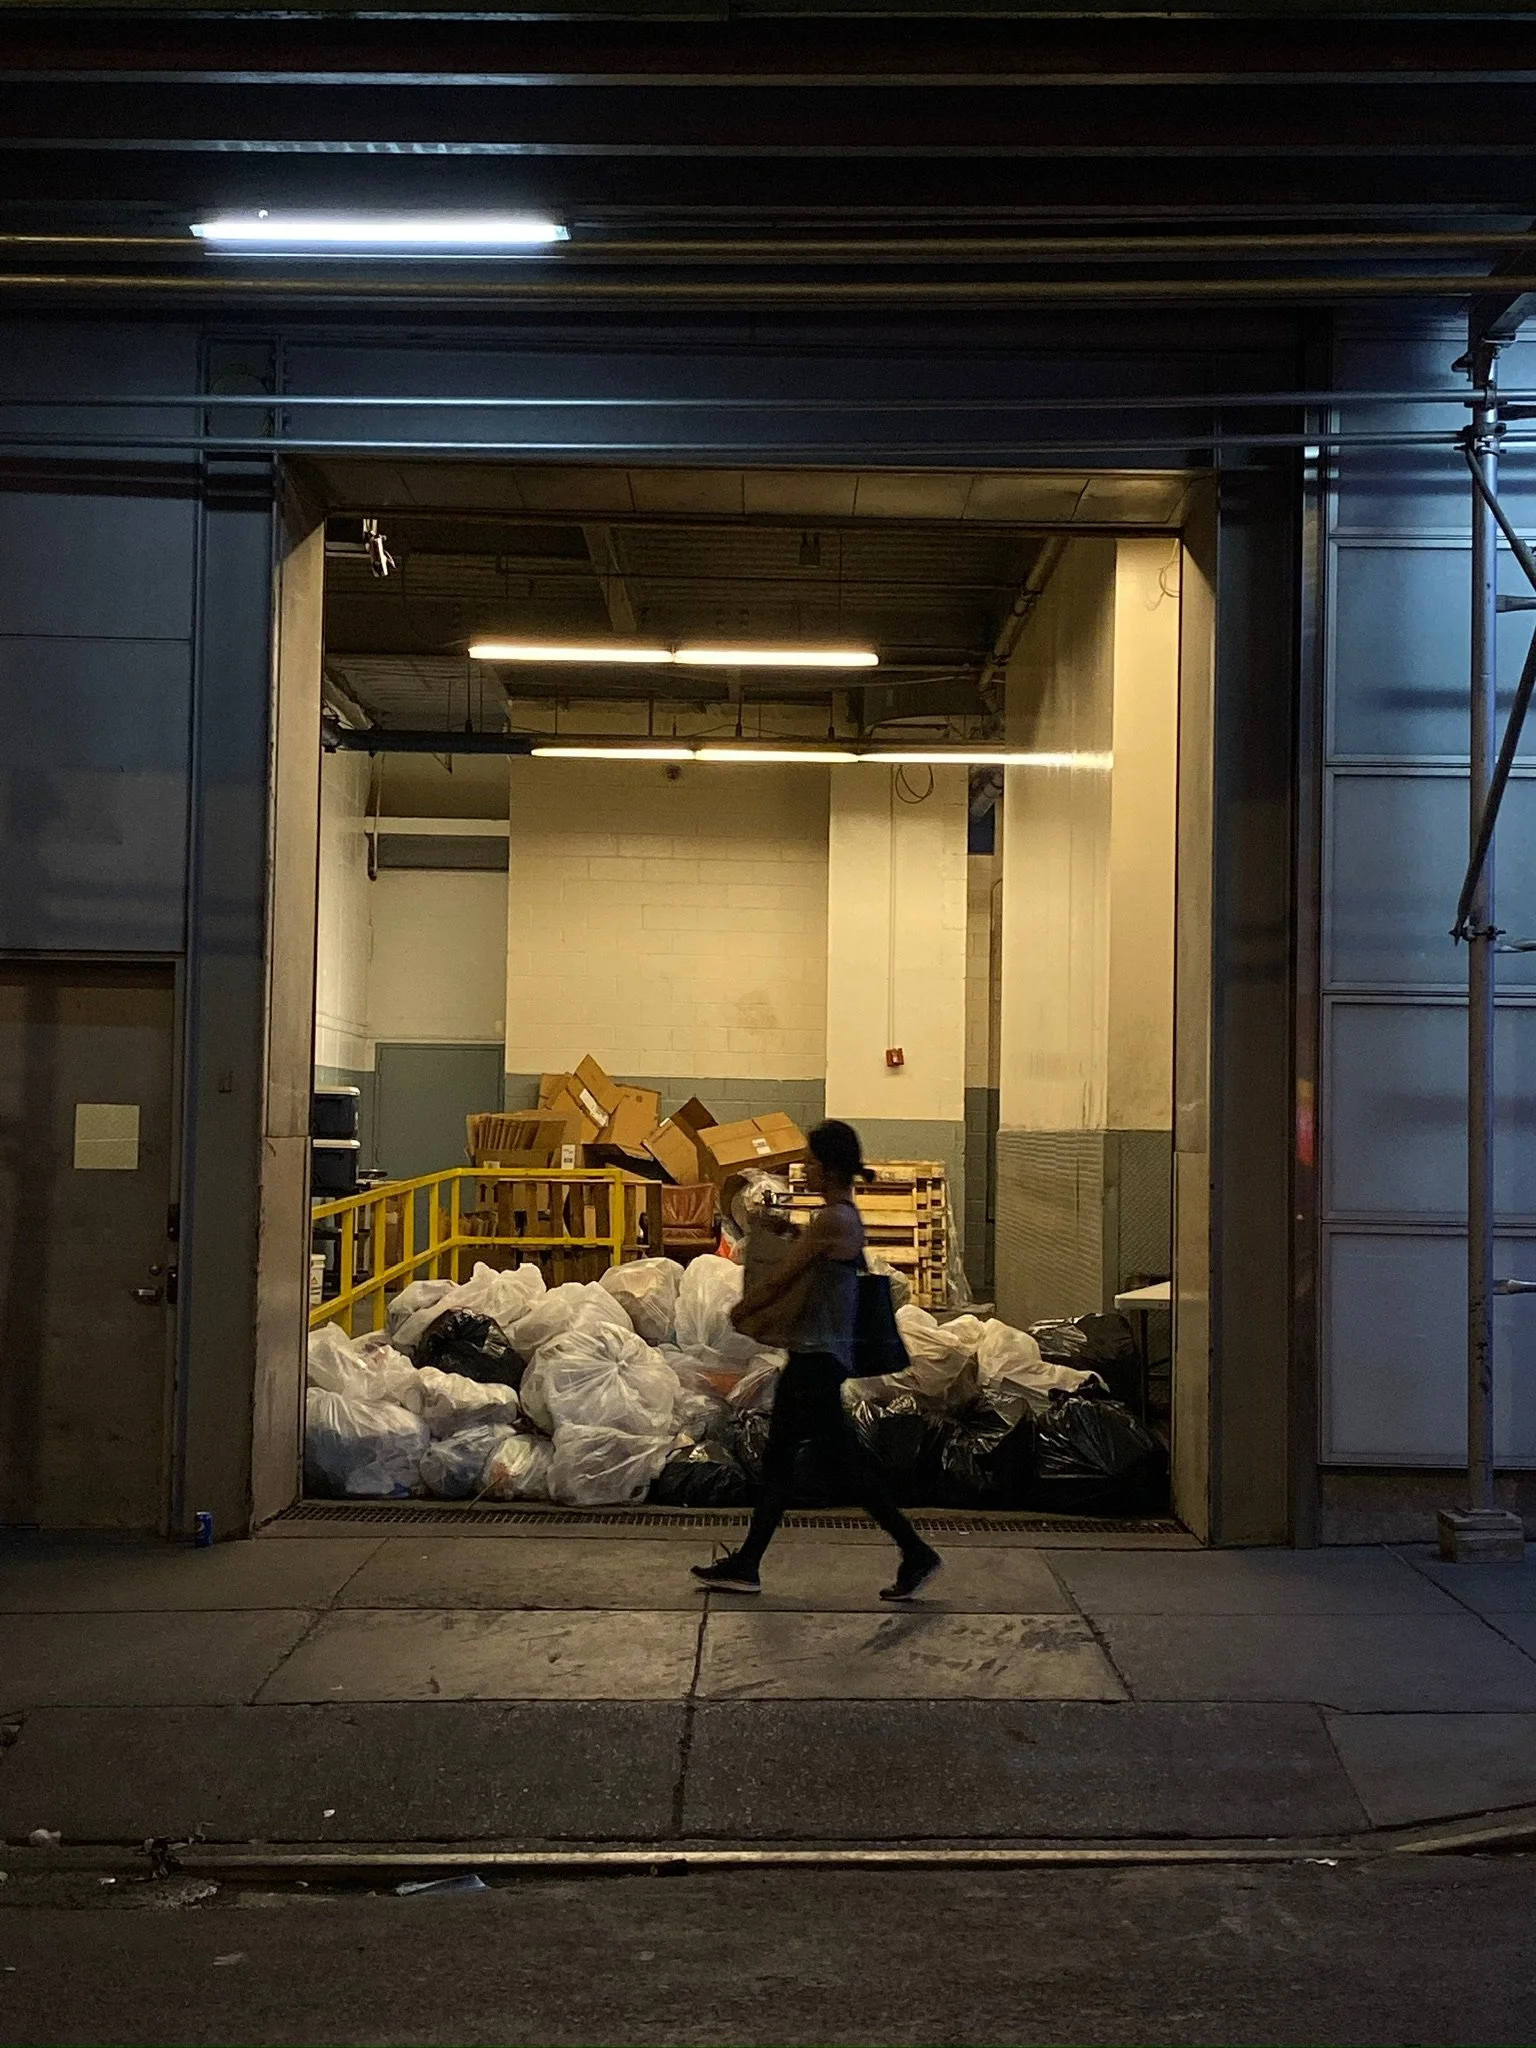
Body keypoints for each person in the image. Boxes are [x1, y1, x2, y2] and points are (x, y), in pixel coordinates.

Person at [691, 1118, 943, 1601]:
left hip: (816, 1362)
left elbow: (786, 1275)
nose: (804, 1167)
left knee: (828, 1464)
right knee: (789, 1461)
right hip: (817, 1359)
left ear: (826, 1168)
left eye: (809, 1159)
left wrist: (746, 1307)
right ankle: (749, 1562)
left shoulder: (834, 1221)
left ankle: (914, 1550)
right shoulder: (841, 1216)